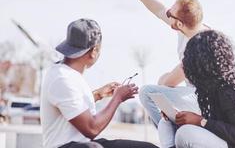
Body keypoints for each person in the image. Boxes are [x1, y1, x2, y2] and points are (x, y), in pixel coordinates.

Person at [40, 19, 158, 148]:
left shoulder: (66, 73)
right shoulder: (62, 78)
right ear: (94, 51)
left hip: (82, 143)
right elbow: (91, 129)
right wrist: (117, 98)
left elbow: (73, 106)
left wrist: (98, 94)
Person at [124, 0, 210, 127]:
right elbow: (159, 10)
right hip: (194, 94)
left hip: (205, 101)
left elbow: (170, 81)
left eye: (171, 14)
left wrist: (162, 81)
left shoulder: (199, 46)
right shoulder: (190, 28)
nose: (167, 13)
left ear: (179, 24)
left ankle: (169, 138)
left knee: (148, 92)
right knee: (161, 86)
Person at [159, 30, 235, 148]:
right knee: (165, 123)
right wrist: (180, 116)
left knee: (185, 134)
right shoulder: (211, 86)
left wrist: (201, 121)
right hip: (224, 140)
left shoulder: (230, 90)